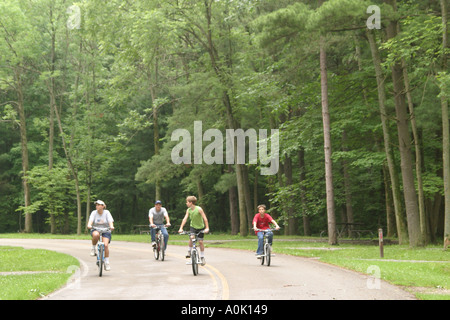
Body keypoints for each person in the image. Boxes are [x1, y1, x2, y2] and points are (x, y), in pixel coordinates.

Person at [178, 196, 209, 265]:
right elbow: (185, 219)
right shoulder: (188, 210)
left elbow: (205, 218)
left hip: (200, 227)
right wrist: (181, 228)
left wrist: (207, 228)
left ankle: (202, 257)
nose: (186, 203)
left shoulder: (199, 209)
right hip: (193, 227)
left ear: (191, 203)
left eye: (187, 202)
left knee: (200, 241)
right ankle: (189, 251)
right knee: (191, 237)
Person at [87, 200, 115, 271]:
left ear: (102, 206)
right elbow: (90, 221)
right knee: (96, 235)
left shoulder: (107, 212)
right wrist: (89, 225)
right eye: (96, 205)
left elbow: (110, 221)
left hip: (106, 230)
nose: (97, 206)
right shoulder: (94, 212)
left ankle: (107, 262)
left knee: (105, 245)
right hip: (96, 229)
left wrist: (111, 226)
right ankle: (93, 248)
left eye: (99, 205)